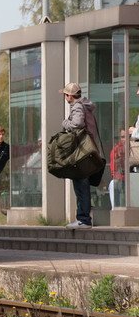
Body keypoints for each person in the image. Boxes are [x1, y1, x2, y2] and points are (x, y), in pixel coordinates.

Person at [61, 82, 103, 229]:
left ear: (70, 96)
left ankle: (83, 219)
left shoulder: (78, 106)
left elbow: (77, 124)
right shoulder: (85, 105)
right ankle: (83, 218)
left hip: (82, 151)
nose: (65, 97)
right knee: (82, 184)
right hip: (87, 150)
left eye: (66, 94)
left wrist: (65, 122)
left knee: (80, 184)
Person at [108, 129, 126, 208]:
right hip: (121, 179)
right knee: (112, 184)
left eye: (127, 137)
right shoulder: (116, 150)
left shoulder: (135, 147)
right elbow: (114, 171)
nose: (125, 139)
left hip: (133, 179)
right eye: (122, 137)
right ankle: (115, 209)